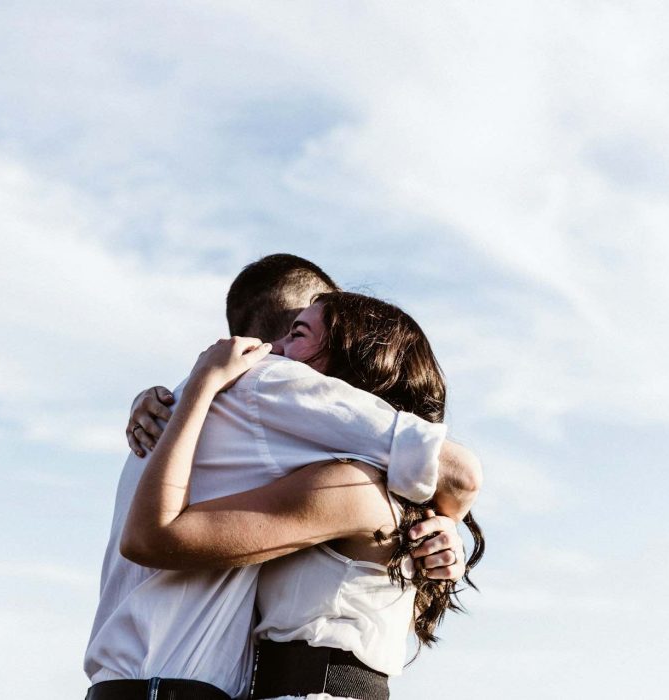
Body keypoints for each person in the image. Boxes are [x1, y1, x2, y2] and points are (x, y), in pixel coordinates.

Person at [84, 255, 481, 700]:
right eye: (294, 330)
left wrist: (444, 521)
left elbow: (459, 475)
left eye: (301, 336)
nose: (275, 356)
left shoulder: (352, 485)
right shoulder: (266, 407)